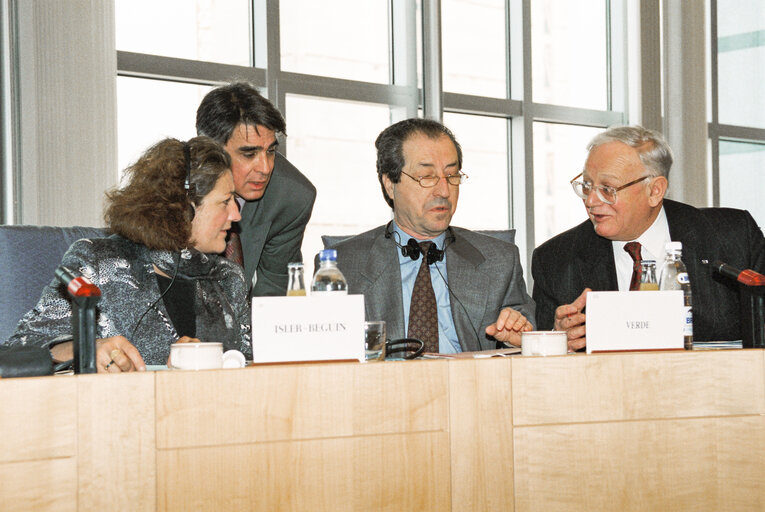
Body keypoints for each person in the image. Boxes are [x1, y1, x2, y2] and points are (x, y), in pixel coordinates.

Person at [7, 137, 251, 371]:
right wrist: (86, 349)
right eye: (225, 201)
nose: (236, 215)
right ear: (183, 207)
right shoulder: (98, 262)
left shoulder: (229, 279)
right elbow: (21, 348)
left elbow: (257, 365)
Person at [531, 125, 765, 351]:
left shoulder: (732, 236)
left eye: (607, 189)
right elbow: (540, 361)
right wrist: (558, 339)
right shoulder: (555, 260)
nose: (591, 201)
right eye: (587, 185)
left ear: (655, 190)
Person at [326, 118, 535, 353]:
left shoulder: (499, 261)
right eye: (427, 177)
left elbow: (528, 327)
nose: (444, 191)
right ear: (389, 184)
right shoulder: (342, 266)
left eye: (452, 176)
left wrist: (516, 337)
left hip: (472, 385)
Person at [196, 82, 317, 296]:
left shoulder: (290, 197)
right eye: (249, 154)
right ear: (211, 150)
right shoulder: (170, 190)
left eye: (270, 151)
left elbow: (275, 294)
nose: (265, 167)